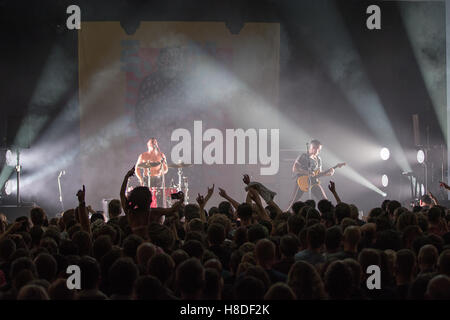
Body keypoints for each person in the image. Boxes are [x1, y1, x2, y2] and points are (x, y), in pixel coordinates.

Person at [288, 140, 334, 209]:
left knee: (324, 200)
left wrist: (328, 173)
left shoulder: (318, 159)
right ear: (313, 147)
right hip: (302, 181)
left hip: (314, 181)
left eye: (320, 150)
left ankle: (326, 214)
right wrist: (307, 172)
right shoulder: (303, 156)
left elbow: (319, 172)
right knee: (293, 201)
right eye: (318, 149)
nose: (319, 151)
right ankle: (286, 215)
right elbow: (294, 169)